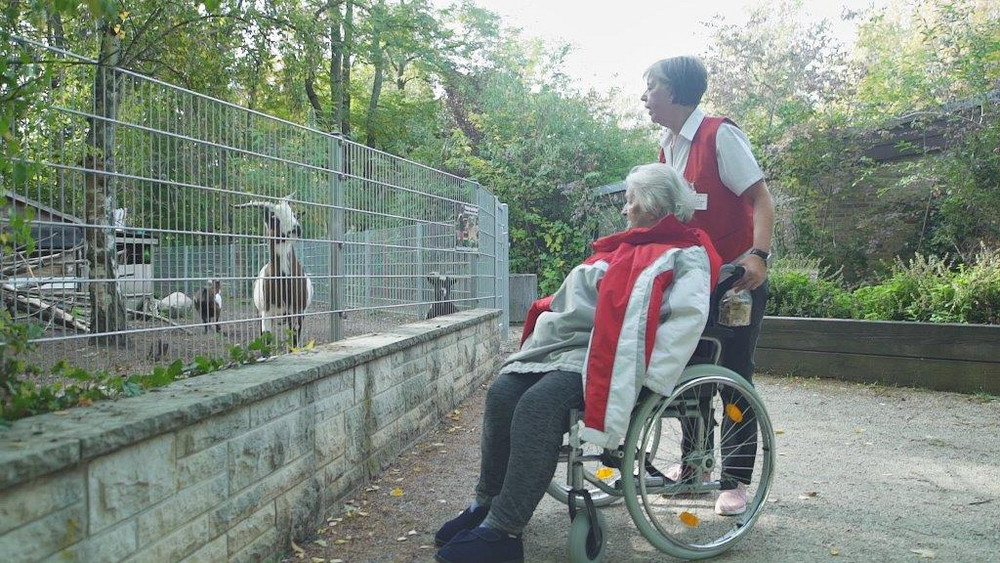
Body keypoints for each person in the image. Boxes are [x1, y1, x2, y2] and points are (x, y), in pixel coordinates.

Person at [433, 163, 722, 563]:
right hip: (570, 345)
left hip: (612, 355)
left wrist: (647, 379)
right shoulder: (627, 246)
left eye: (630, 200)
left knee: (538, 406)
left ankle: (504, 531)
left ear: (654, 204)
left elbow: (685, 323)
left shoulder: (687, 255)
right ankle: (487, 503)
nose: (625, 209)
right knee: (502, 393)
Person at [641, 55, 776, 516]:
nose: (645, 96)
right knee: (689, 372)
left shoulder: (720, 135)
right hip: (691, 281)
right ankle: (696, 467)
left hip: (735, 280)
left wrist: (758, 255)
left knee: (734, 376)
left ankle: (735, 479)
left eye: (652, 85)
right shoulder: (667, 145)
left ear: (676, 91)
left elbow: (760, 198)